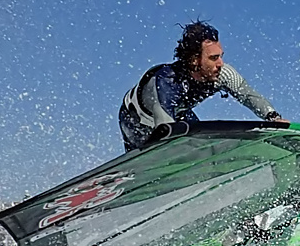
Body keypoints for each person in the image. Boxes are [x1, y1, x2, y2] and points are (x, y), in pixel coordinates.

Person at [118, 21, 287, 151]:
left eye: (221, 56)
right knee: (160, 151)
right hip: (136, 120)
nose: (220, 63)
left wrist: (273, 118)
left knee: (203, 145)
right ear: (194, 60)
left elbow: (248, 95)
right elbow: (165, 131)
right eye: (213, 58)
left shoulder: (222, 74)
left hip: (179, 113)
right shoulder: (167, 83)